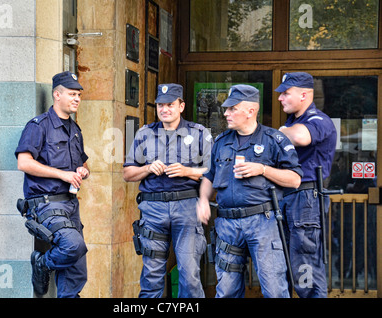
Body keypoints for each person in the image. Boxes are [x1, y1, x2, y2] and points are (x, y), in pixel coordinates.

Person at [197, 84, 303, 298]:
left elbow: (295, 180)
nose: (225, 113)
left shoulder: (274, 140)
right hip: (227, 224)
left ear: (251, 111)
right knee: (226, 290)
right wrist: (202, 200)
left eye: (232, 108)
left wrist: (262, 169)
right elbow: (210, 176)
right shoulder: (221, 142)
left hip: (263, 222)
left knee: (274, 288)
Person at [123, 83, 212, 298]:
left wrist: (187, 171)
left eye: (170, 104)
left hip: (187, 207)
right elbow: (127, 174)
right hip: (153, 209)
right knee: (152, 274)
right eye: (161, 105)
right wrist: (146, 168)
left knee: (189, 272)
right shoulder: (144, 133)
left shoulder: (200, 133)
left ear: (181, 106)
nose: (165, 109)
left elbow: (213, 172)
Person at [15, 71, 90, 298]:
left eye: (78, 94)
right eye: (71, 94)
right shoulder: (39, 126)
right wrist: (62, 175)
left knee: (77, 273)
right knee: (73, 246)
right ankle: (43, 264)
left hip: (70, 205)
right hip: (46, 204)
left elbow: (84, 165)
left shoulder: (75, 130)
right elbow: (24, 163)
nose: (76, 98)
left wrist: (82, 172)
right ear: (57, 95)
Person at [276, 72, 337, 298]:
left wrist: (280, 132)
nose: (280, 98)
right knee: (287, 262)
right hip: (289, 197)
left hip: (306, 198)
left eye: (286, 93)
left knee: (305, 264)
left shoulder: (318, 120)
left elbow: (302, 138)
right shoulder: (292, 121)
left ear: (304, 94)